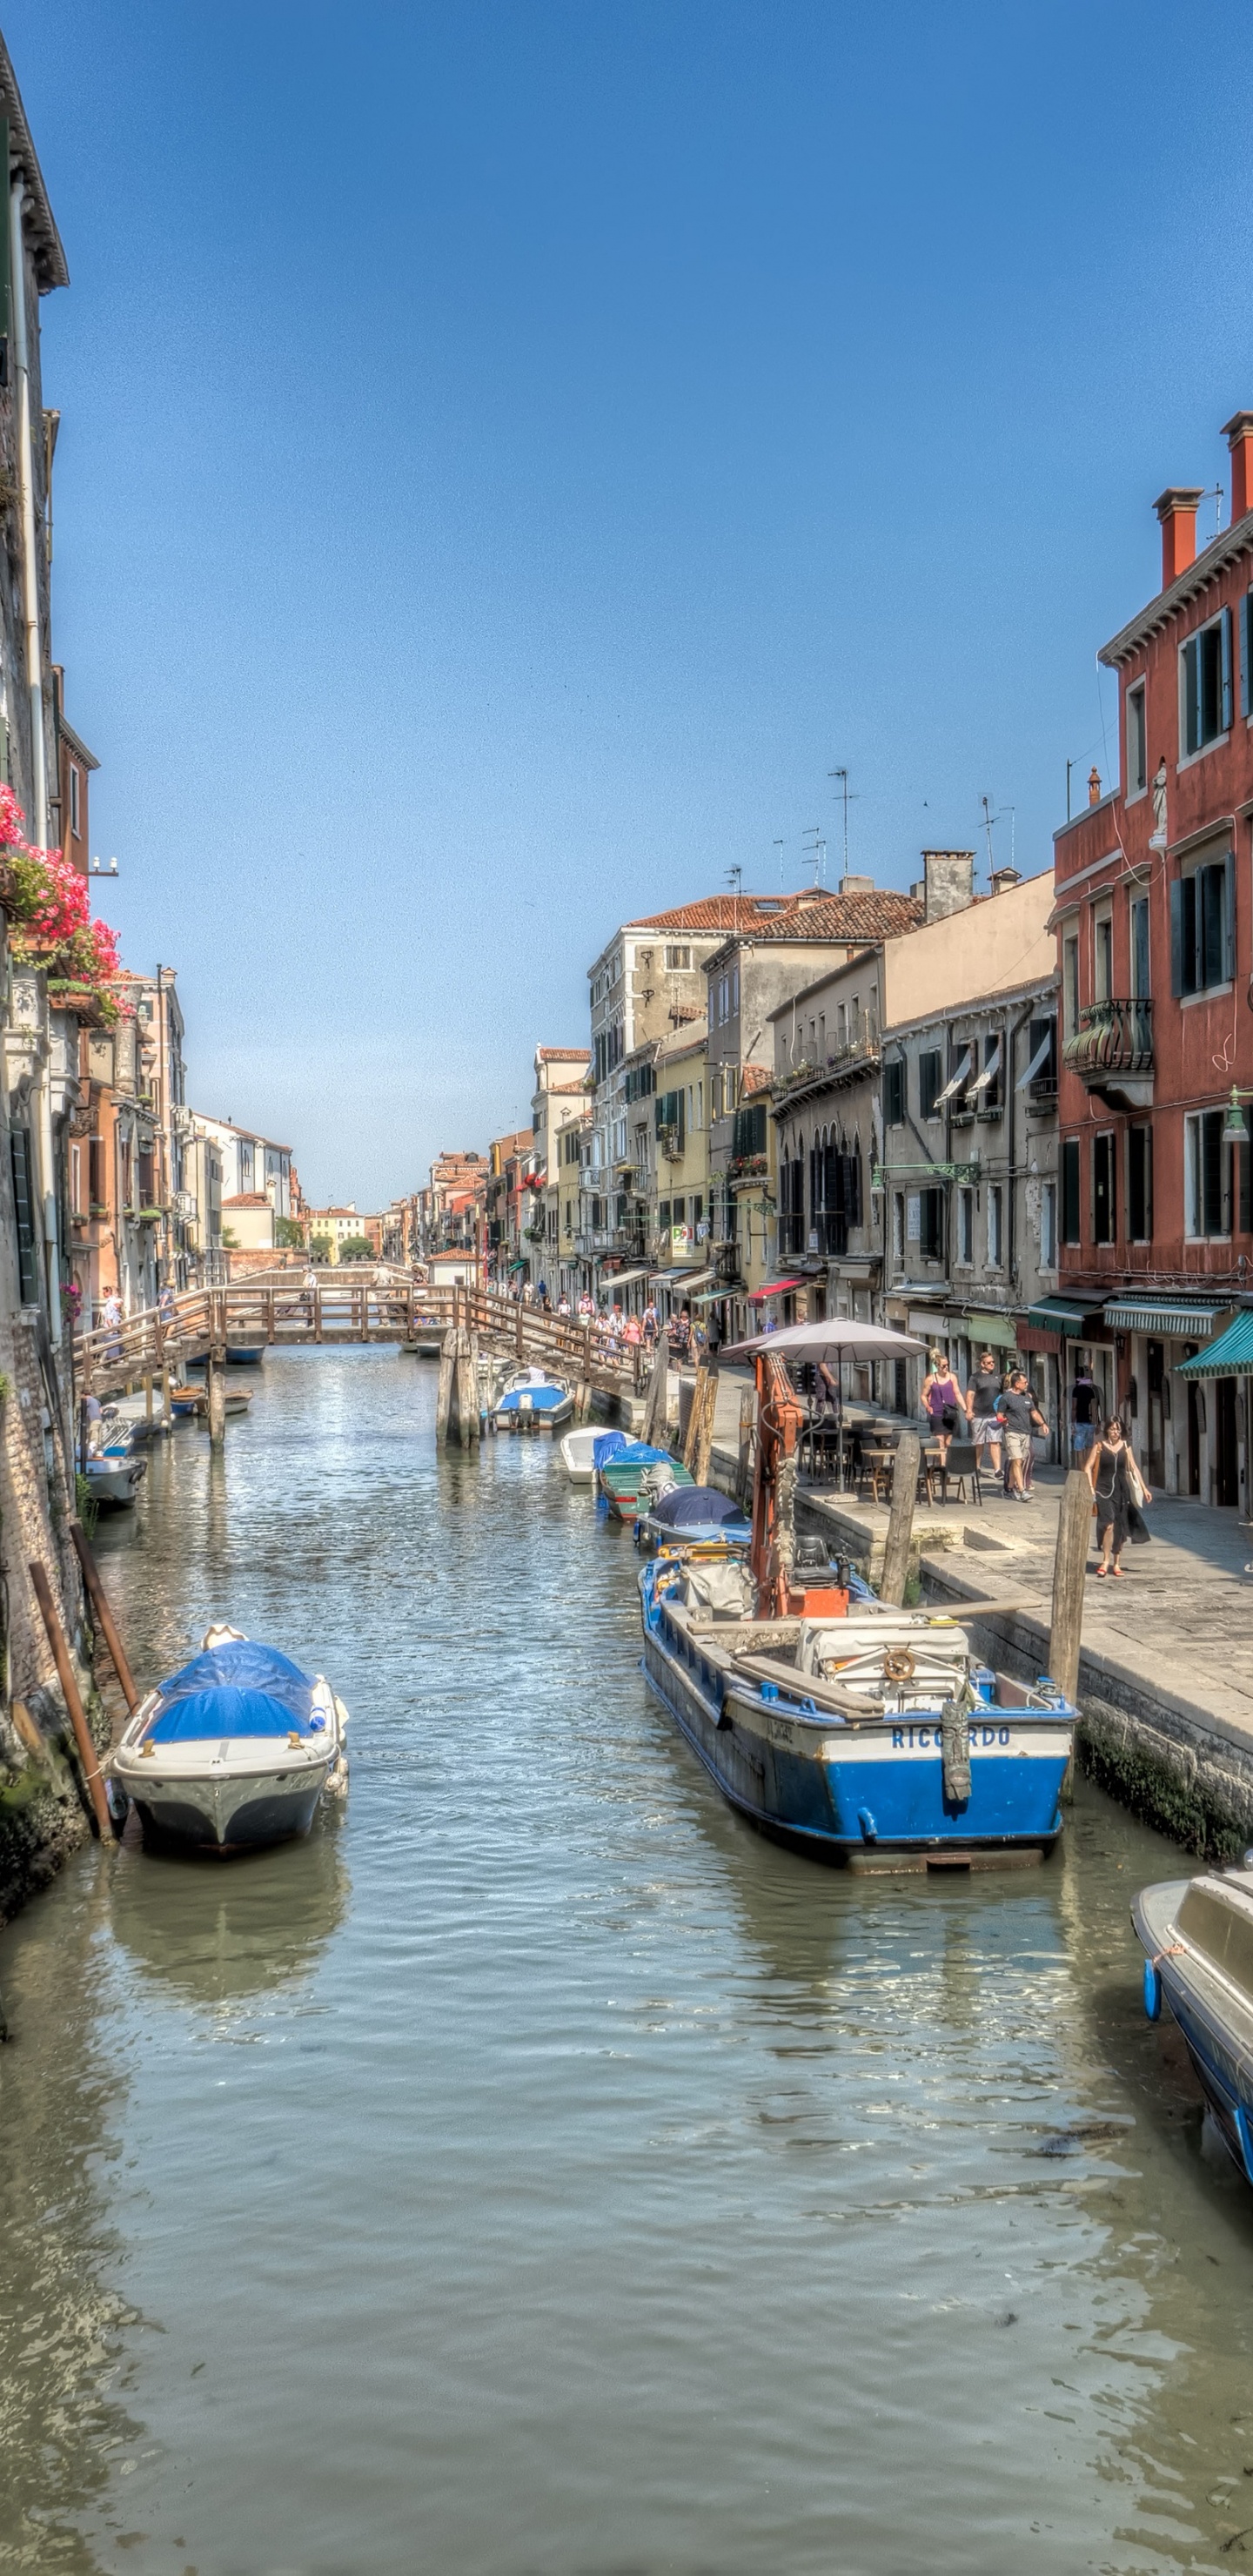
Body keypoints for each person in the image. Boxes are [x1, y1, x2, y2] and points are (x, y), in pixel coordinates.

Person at [1086, 1413, 1149, 1575]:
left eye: (1118, 1429)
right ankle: (1105, 1560)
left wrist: (1144, 1489)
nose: (1115, 1432)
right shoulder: (1099, 1446)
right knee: (1108, 1525)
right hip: (1103, 1490)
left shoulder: (1125, 1447)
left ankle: (1117, 1563)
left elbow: (1134, 1468)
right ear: (1107, 1430)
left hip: (1121, 1491)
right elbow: (1088, 1467)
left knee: (1120, 1527)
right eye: (1112, 1429)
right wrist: (1091, 1488)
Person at [996, 1369, 1049, 1500]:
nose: (1027, 1384)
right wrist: (1004, 1422)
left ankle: (1008, 1489)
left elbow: (1034, 1413)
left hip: (1026, 1433)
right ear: (1017, 1384)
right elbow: (999, 1415)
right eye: (1024, 1382)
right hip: (1012, 1433)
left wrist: (1043, 1424)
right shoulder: (1006, 1398)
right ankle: (1022, 1491)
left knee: (1019, 1461)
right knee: (1017, 1460)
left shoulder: (1027, 1398)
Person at [965, 1350, 1003, 1483]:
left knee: (995, 1442)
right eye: (989, 1363)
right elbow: (970, 1394)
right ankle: (977, 1466)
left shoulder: (998, 1378)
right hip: (979, 1415)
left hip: (994, 1415)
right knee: (979, 1442)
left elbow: (1003, 1397)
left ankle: (997, 1470)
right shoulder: (975, 1378)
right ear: (982, 1364)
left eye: (993, 1362)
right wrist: (969, 1410)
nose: (992, 1364)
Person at [921, 1348, 963, 1461]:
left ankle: (944, 1462)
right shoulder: (930, 1379)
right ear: (938, 1366)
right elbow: (923, 1396)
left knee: (948, 1442)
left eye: (947, 1365)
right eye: (943, 1366)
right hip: (937, 1413)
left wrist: (965, 1408)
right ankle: (944, 1468)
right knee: (940, 1441)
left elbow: (957, 1393)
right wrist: (928, 1407)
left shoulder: (952, 1377)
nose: (946, 1368)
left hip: (950, 1413)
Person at [1071, 1367, 1100, 1463]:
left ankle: (1082, 1470)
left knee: (1079, 1448)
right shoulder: (1091, 1391)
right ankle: (1088, 1469)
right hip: (1091, 1422)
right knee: (1088, 1447)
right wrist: (1097, 1423)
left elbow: (1074, 1408)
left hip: (1080, 1422)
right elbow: (1094, 1407)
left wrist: (1072, 1422)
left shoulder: (1076, 1390)